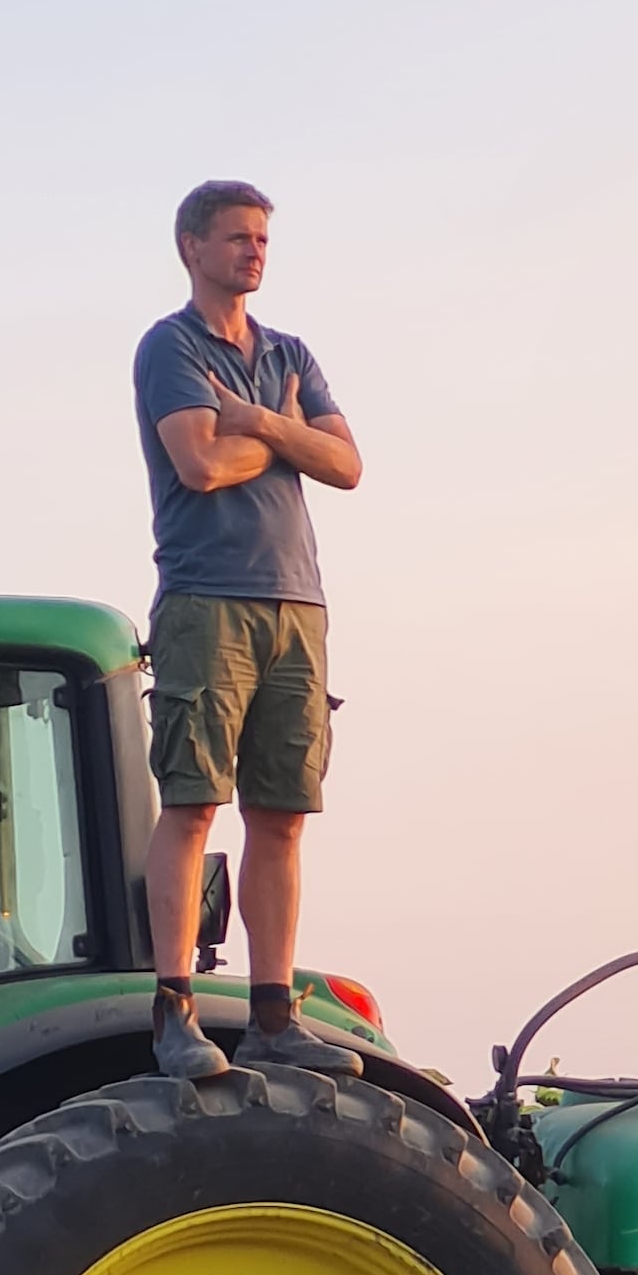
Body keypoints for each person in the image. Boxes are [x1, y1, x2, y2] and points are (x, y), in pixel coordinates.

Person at [131, 181, 364, 1079]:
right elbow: (199, 463)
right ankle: (174, 1008)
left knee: (283, 814)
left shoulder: (288, 352)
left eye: (262, 238)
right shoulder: (171, 345)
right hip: (206, 596)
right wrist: (292, 434)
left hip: (297, 602)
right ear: (191, 247)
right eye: (237, 238)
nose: (254, 252)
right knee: (193, 803)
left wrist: (260, 421)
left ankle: (274, 1015)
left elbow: (346, 463)